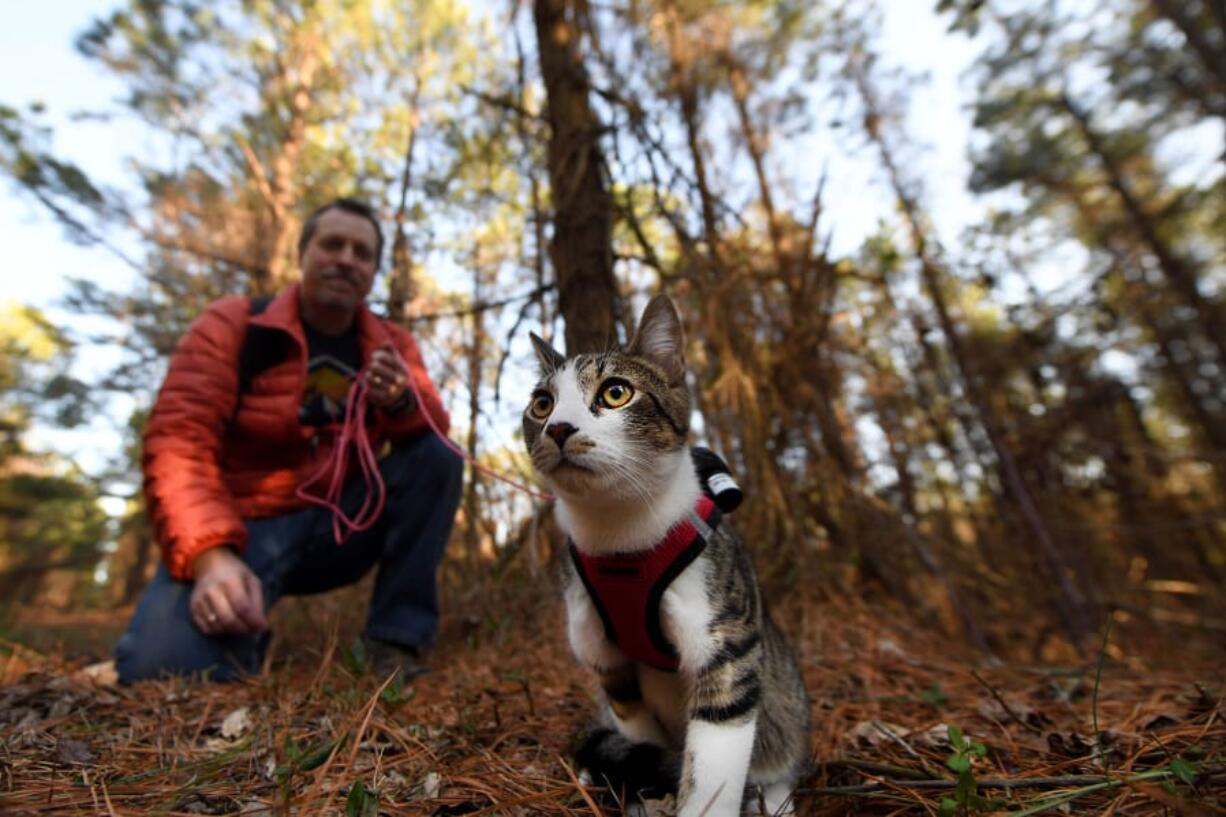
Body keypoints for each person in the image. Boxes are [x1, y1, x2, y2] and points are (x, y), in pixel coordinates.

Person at [115, 198, 463, 683]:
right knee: (161, 672)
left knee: (438, 456)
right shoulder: (233, 325)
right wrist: (211, 558)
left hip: (344, 526)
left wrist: (400, 402)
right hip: (243, 528)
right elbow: (178, 440)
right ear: (302, 254)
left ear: (373, 272)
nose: (346, 258)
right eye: (332, 244)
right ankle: (243, 630)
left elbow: (430, 435)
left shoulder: (391, 343)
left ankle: (395, 641)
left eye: (362, 253)